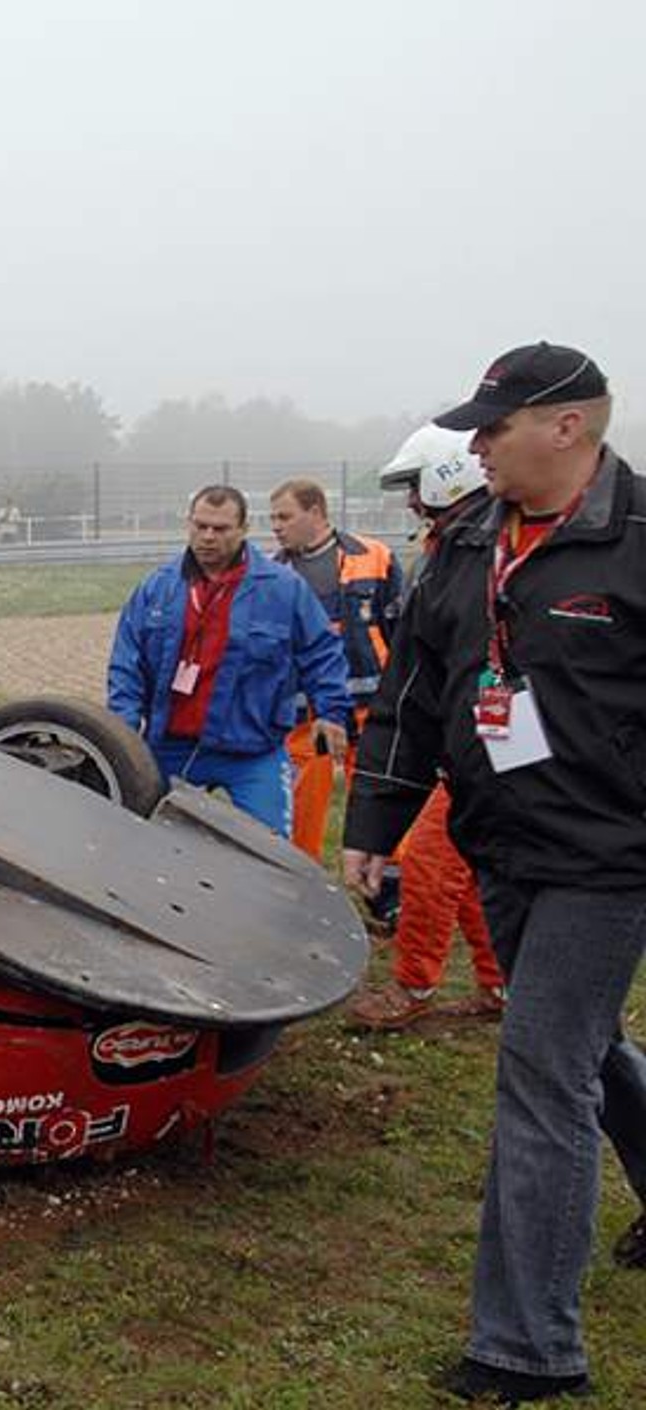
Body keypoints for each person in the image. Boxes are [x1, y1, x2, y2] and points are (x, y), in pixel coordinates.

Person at [343, 343, 646, 1402]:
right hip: (499, 844)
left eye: (492, 426)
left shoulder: (636, 542)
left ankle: (525, 1347)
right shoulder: (467, 545)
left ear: (566, 426)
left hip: (606, 862)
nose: (471, 444)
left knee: (539, 1073)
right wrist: (374, 818)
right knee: (579, 1048)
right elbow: (412, 695)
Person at [343, 427, 505, 1030]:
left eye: (415, 486)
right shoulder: (461, 543)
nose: (411, 500)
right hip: (473, 740)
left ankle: (412, 987)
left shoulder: (476, 548)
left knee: (435, 866)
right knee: (463, 872)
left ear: (446, 475)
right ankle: (500, 985)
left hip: (475, 744)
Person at [107, 484, 351, 836]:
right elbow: (127, 665)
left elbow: (321, 652)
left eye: (220, 529)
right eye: (200, 526)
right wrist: (123, 732)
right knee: (139, 839)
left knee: (272, 855)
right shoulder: (157, 588)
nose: (208, 537)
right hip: (169, 747)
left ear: (243, 529)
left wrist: (331, 711)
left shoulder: (283, 588)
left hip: (252, 750)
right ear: (189, 524)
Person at [268, 477, 404, 860]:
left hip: (370, 706)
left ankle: (388, 893)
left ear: (315, 512)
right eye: (273, 518)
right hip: (307, 713)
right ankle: (299, 878)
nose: (276, 525)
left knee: (381, 799)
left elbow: (401, 631)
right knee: (301, 802)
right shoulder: (272, 574)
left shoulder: (374, 557)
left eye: (285, 516)